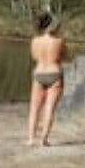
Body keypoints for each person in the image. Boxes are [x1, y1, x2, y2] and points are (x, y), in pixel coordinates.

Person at [26, 12, 67, 146]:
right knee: (49, 108)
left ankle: (31, 138)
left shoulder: (35, 41)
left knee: (34, 108)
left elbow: (34, 57)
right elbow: (66, 57)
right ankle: (43, 139)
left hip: (39, 72)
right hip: (54, 72)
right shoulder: (59, 42)